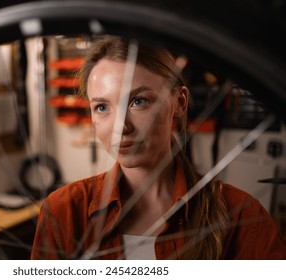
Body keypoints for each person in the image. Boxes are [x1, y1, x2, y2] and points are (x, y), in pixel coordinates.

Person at [31, 36, 286, 259]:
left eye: (138, 101)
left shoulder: (242, 216)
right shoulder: (62, 212)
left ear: (180, 102)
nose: (121, 127)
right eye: (102, 107)